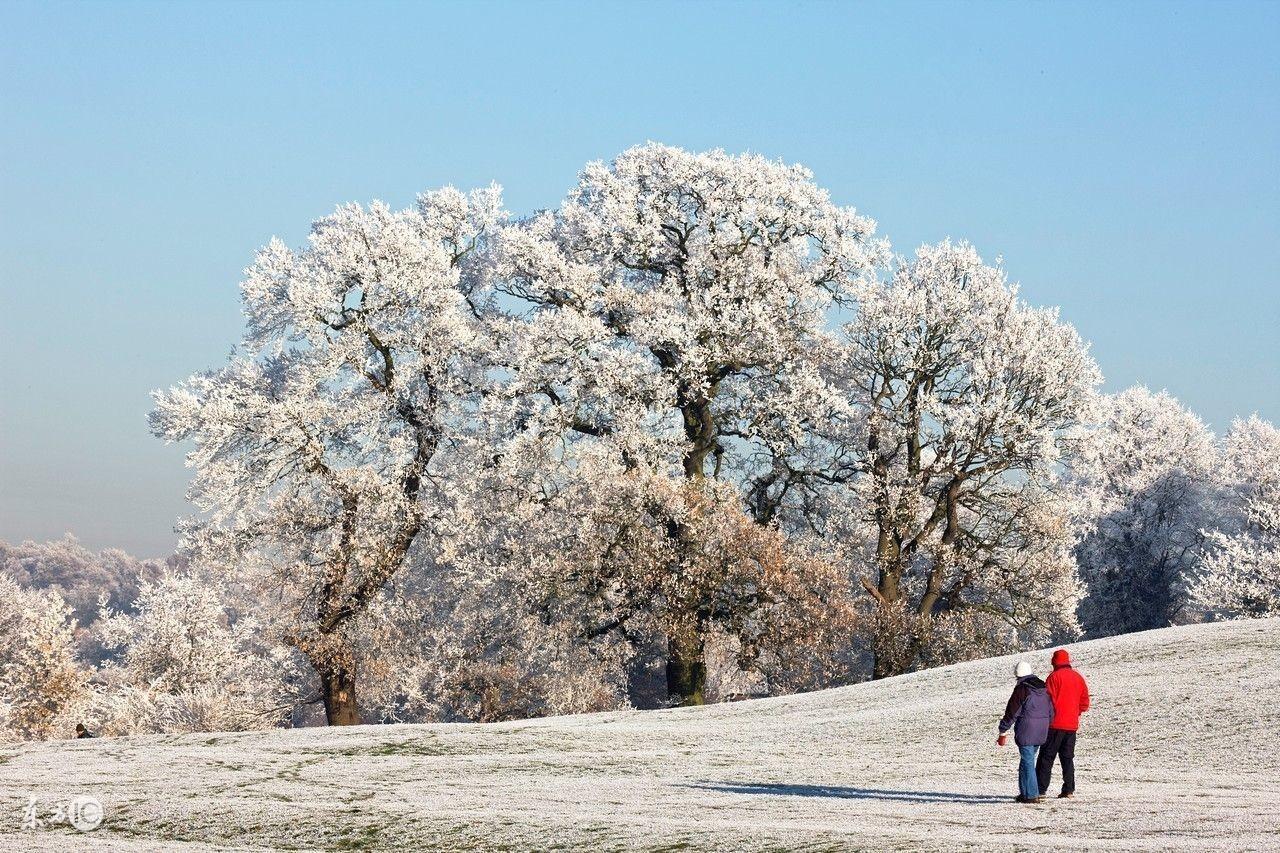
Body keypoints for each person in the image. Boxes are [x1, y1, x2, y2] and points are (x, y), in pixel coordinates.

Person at [997, 660, 1055, 804]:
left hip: (1026, 730)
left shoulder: (1022, 689)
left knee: (1028, 761)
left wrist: (1003, 729)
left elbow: (1012, 711)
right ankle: (1025, 792)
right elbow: (1051, 711)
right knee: (1026, 760)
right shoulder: (1043, 687)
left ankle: (1031, 795)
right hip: (1042, 730)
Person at [1037, 648, 1090, 799]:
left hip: (1054, 725)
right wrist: (1076, 712)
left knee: (1046, 758)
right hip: (1071, 725)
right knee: (1067, 758)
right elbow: (1085, 702)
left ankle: (1040, 789)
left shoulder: (1053, 677)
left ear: (1054, 661)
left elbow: (1046, 701)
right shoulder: (1078, 678)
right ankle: (1069, 789)